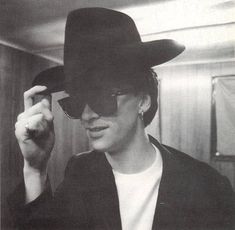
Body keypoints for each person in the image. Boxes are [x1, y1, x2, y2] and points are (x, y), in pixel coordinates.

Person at [9, 7, 234, 230]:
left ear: (143, 101)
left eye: (102, 97)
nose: (87, 115)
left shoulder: (206, 185)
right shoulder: (80, 172)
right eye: (77, 102)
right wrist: (35, 169)